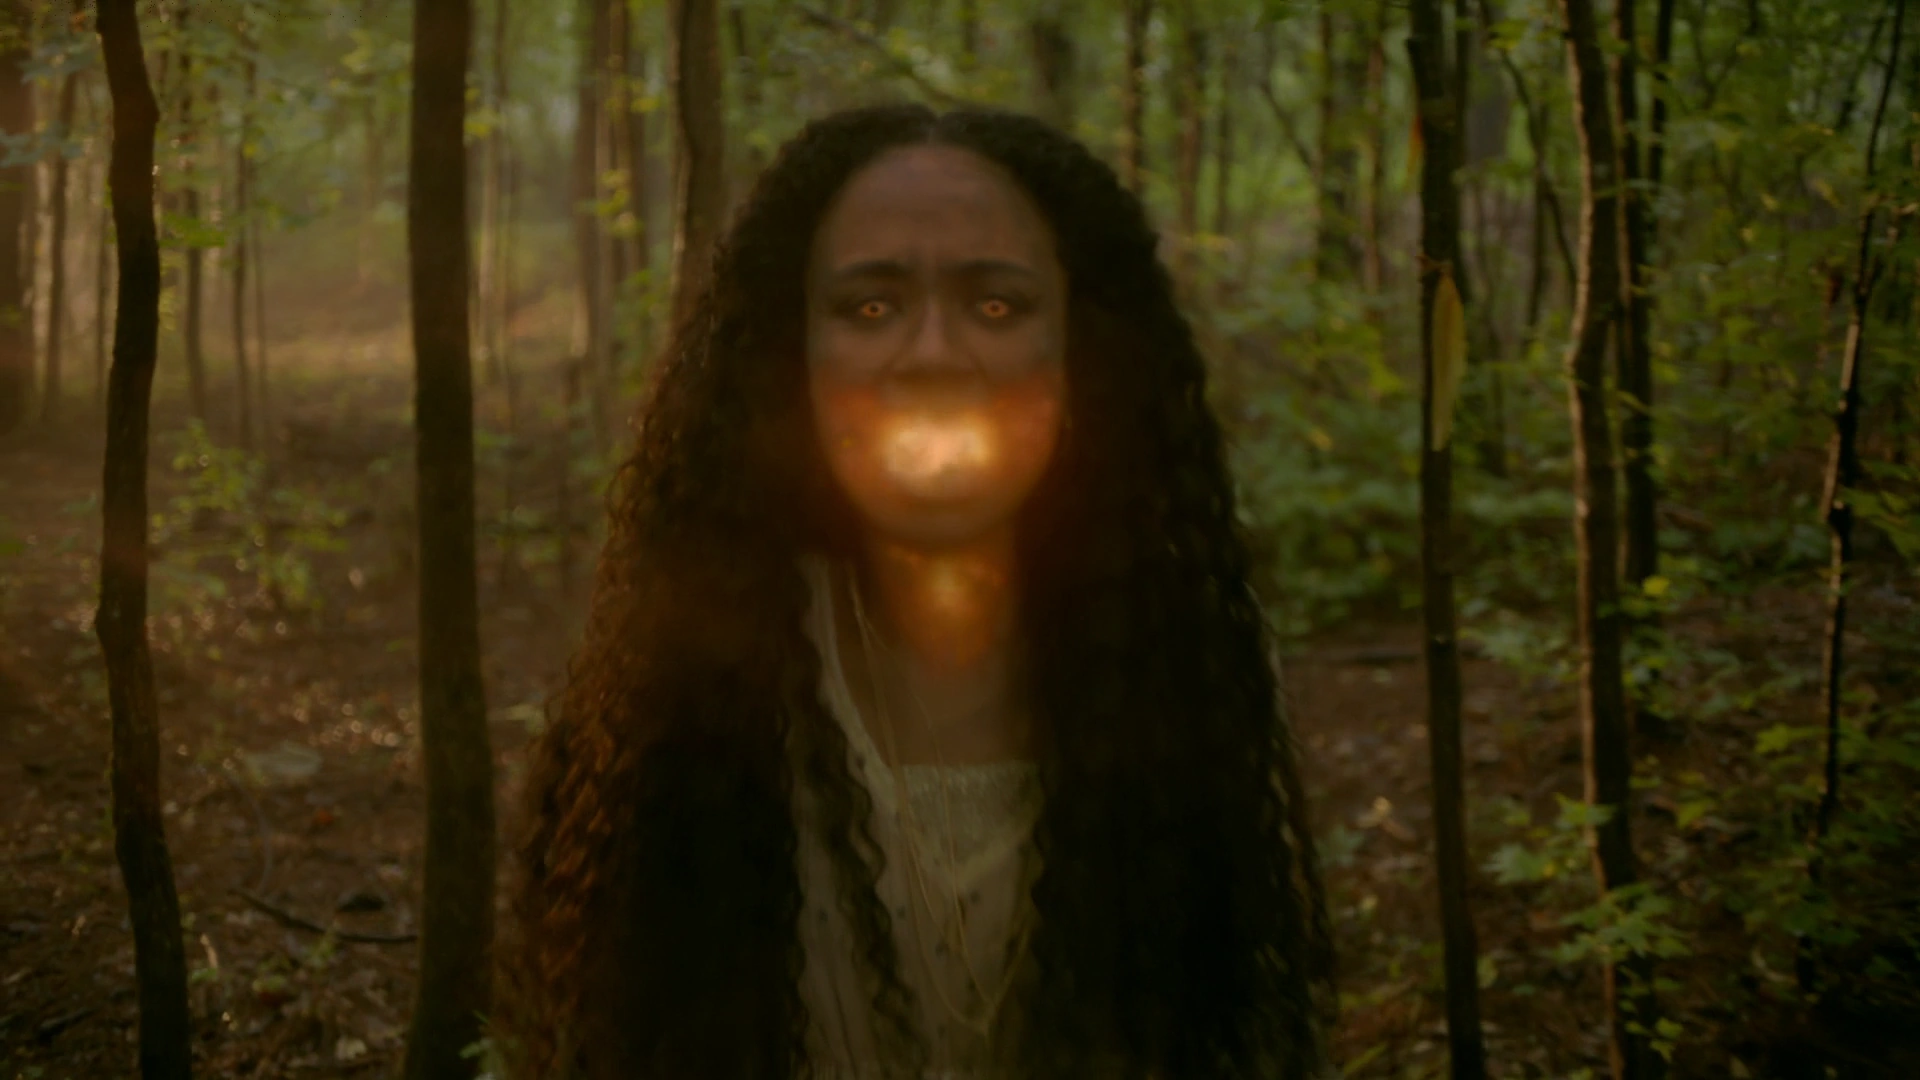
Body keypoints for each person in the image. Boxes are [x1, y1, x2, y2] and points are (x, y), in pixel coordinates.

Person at [497, 104, 1334, 1079]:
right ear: (794, 361)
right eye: (870, 308)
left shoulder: (1175, 659)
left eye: (997, 307)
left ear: (1078, 356)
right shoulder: (696, 682)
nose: (933, 353)